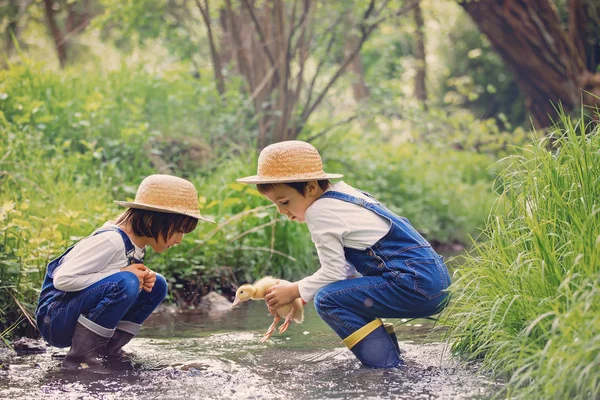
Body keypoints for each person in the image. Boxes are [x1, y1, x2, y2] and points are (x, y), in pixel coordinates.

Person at [237, 140, 451, 368]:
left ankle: (386, 367)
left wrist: (295, 289)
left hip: (415, 284)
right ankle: (393, 360)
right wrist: (303, 293)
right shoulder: (343, 193)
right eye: (275, 205)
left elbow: (334, 271)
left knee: (327, 299)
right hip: (434, 280)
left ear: (310, 188)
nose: (282, 211)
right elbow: (346, 269)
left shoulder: (319, 211)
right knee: (337, 295)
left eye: (285, 202)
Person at [35, 174, 213, 370]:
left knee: (157, 284)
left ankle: (108, 351)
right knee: (127, 281)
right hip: (54, 319)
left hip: (71, 314)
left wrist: (132, 276)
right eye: (179, 230)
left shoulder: (136, 244)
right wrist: (121, 273)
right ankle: (81, 359)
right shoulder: (111, 240)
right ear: (155, 221)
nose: (179, 239)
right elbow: (63, 279)